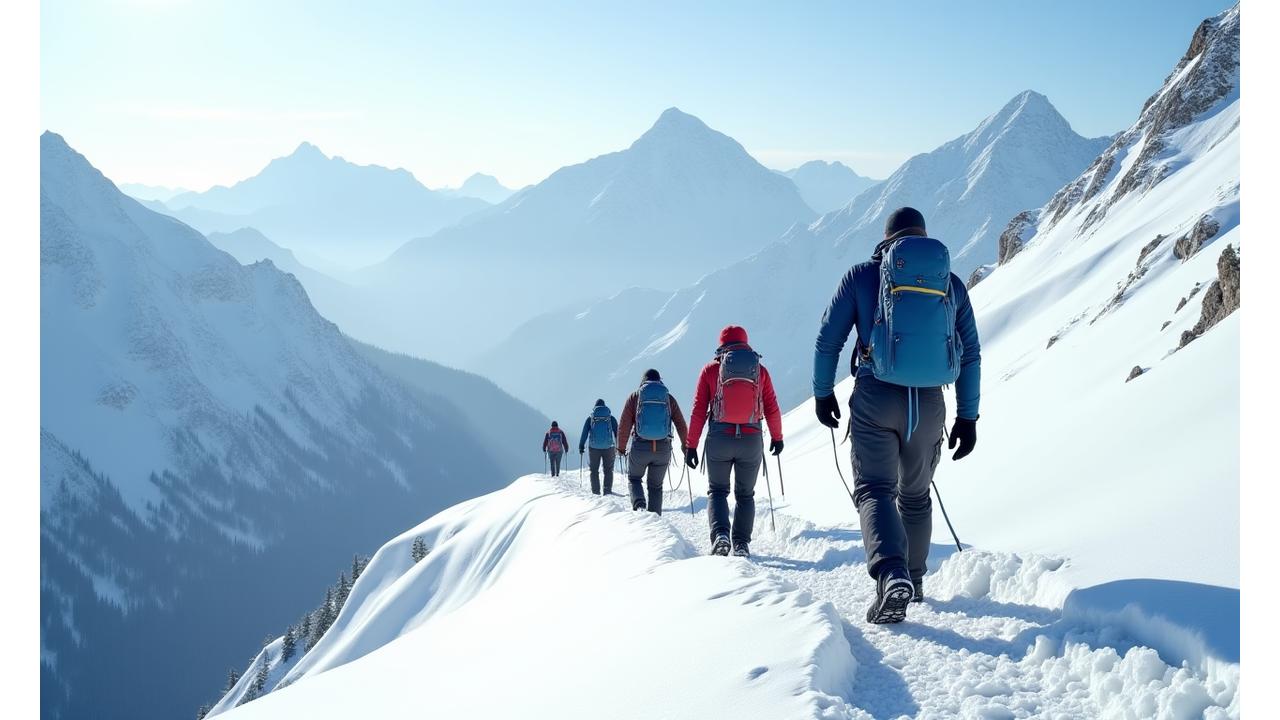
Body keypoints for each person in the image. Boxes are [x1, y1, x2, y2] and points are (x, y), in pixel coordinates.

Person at [812, 206, 981, 624]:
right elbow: (971, 353)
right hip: (928, 405)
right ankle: (915, 580)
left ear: (886, 242)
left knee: (874, 489)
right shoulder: (951, 285)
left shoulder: (862, 277)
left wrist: (821, 393)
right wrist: (968, 417)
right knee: (916, 495)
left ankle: (891, 575)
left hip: (875, 397)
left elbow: (827, 339)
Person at [684, 326, 783, 557]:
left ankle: (720, 535)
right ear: (746, 344)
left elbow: (698, 410)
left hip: (719, 438)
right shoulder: (760, 371)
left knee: (718, 491)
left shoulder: (711, 370)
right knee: (745, 494)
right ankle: (741, 544)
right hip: (751, 438)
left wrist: (691, 445)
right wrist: (777, 437)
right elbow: (772, 407)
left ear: (721, 346)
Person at [616, 369, 689, 514]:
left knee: (634, 478)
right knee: (656, 486)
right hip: (663, 448)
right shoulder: (668, 398)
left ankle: (640, 505)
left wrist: (621, 448)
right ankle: (655, 520)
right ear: (659, 380)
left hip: (640, 447)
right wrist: (685, 446)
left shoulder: (635, 397)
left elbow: (624, 424)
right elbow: (680, 423)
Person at [579, 399, 619, 495]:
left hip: (594, 448)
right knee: (608, 470)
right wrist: (619, 446)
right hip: (609, 447)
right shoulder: (610, 418)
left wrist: (581, 446)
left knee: (594, 470)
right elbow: (617, 432)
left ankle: (595, 492)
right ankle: (607, 491)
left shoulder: (591, 418)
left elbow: (584, 433)